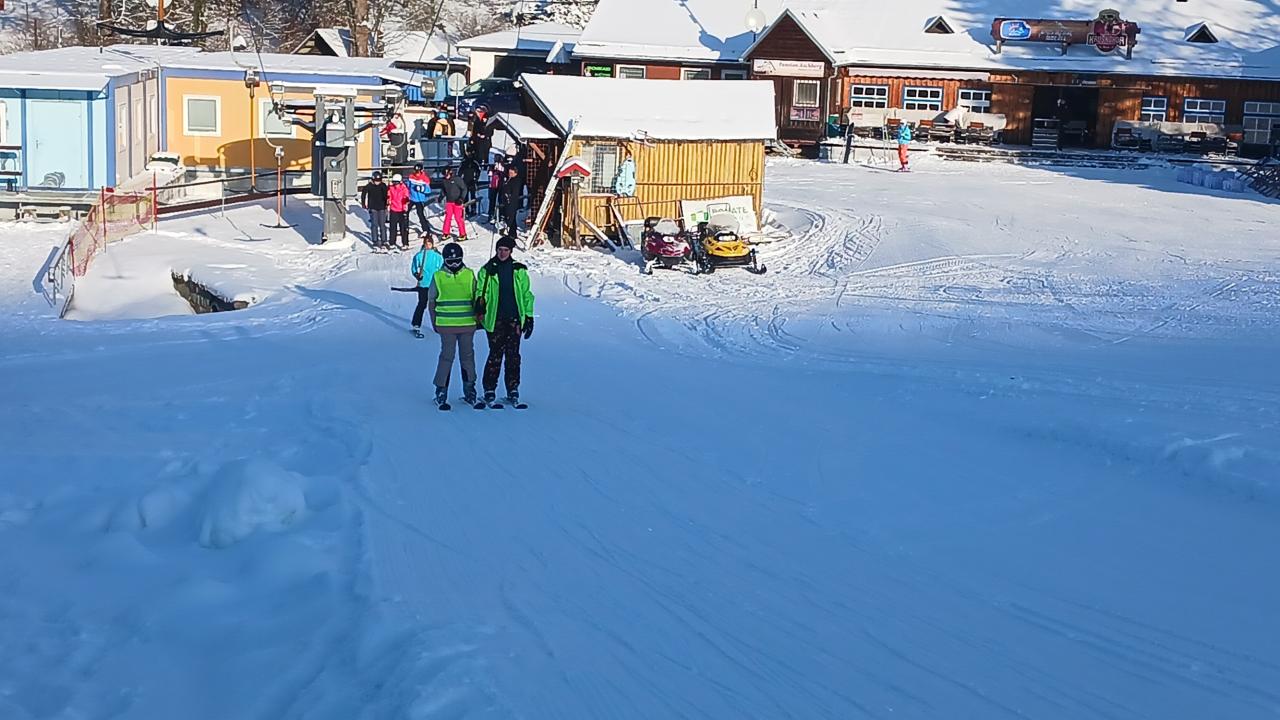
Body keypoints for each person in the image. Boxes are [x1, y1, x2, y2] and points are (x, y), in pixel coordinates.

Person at [477, 234, 535, 407]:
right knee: (495, 354)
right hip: (495, 319)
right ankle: (489, 389)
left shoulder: (519, 270)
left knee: (513, 356)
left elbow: (526, 294)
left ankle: (513, 388)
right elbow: (481, 291)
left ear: (511, 251)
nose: (502, 253)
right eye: (500, 250)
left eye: (506, 250)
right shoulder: (487, 270)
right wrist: (480, 306)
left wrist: (529, 316)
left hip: (514, 319)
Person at [428, 242, 479, 407]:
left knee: (467, 357)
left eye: (457, 261)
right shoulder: (438, 276)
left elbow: (477, 297)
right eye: (451, 261)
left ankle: (470, 389)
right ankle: (441, 391)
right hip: (447, 325)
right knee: (447, 357)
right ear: (444, 260)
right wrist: (435, 322)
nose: (455, 264)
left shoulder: (469, 274)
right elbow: (431, 301)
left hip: (466, 324)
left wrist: (479, 318)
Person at [410, 233, 444, 338]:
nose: (428, 245)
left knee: (436, 305)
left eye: (429, 243)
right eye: (426, 243)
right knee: (422, 304)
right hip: (424, 284)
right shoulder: (420, 255)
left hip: (434, 284)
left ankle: (440, 324)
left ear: (432, 244)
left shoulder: (438, 256)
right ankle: (416, 324)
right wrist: (416, 275)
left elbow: (442, 269)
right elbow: (414, 267)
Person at [360, 171, 390, 250]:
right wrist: (363, 203)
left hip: (382, 208)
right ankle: (375, 241)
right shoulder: (369, 186)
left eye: (379, 181)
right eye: (376, 181)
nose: (377, 182)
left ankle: (384, 241)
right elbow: (363, 194)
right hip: (373, 208)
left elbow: (386, 195)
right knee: (374, 225)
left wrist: (387, 203)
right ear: (373, 180)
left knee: (382, 225)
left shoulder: (383, 185)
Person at [440, 167, 468, 240]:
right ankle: (446, 233)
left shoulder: (457, 179)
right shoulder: (444, 181)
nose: (446, 177)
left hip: (457, 202)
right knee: (447, 217)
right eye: (444, 175)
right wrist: (441, 197)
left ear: (450, 173)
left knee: (458, 218)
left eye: (447, 175)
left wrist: (461, 198)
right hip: (449, 202)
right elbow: (444, 190)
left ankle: (463, 234)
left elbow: (464, 189)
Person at [387, 173, 412, 249]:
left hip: (402, 210)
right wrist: (388, 201)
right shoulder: (391, 188)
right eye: (394, 182)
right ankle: (392, 243)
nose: (395, 184)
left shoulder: (404, 188)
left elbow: (406, 196)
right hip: (393, 209)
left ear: (400, 182)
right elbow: (389, 196)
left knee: (403, 228)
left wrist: (406, 201)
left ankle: (405, 243)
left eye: (397, 183)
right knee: (393, 227)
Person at [406, 163, 432, 234]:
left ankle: (425, 230)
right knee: (405, 212)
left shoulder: (425, 178)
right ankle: (405, 227)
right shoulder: (411, 177)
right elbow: (408, 186)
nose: (416, 173)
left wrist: (421, 189)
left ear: (421, 171)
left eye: (418, 172)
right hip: (411, 198)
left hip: (420, 199)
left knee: (420, 214)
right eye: (415, 171)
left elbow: (428, 190)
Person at [500, 165, 523, 237]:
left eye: (511, 173)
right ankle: (512, 233)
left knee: (510, 217)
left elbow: (515, 192)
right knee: (511, 218)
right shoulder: (508, 179)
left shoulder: (516, 180)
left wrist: (509, 197)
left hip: (512, 202)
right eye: (509, 173)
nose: (510, 174)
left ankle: (509, 231)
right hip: (506, 201)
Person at [487, 157, 505, 224]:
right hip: (493, 185)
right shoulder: (492, 166)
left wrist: (500, 170)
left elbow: (504, 174)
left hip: (501, 185)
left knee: (501, 200)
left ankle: (502, 215)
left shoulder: (503, 166)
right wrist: (492, 169)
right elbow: (489, 174)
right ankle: (491, 215)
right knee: (492, 201)